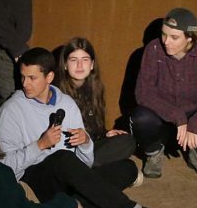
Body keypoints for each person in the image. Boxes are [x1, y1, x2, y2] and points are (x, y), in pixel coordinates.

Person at [0, 48, 169, 208]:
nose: (25, 84)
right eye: (23, 77)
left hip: (68, 181)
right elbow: (3, 169)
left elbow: (84, 164)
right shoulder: (10, 111)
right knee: (62, 159)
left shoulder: (67, 104)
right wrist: (39, 146)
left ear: (49, 77)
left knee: (127, 168)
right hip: (33, 183)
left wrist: (85, 143)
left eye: (32, 78)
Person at [131, 8, 197, 178]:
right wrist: (177, 116)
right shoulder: (153, 49)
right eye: (164, 34)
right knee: (141, 117)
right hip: (162, 115)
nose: (166, 42)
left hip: (194, 116)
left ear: (189, 38)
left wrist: (196, 123)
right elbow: (143, 93)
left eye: (174, 37)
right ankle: (154, 154)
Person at [55, 37, 137, 169]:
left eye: (85, 59)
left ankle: (87, 171)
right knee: (124, 168)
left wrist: (106, 133)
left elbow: (94, 129)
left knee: (128, 143)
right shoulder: (57, 93)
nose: (80, 65)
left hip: (90, 147)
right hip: (67, 151)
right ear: (65, 64)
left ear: (92, 64)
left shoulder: (96, 88)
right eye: (73, 60)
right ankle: (85, 171)